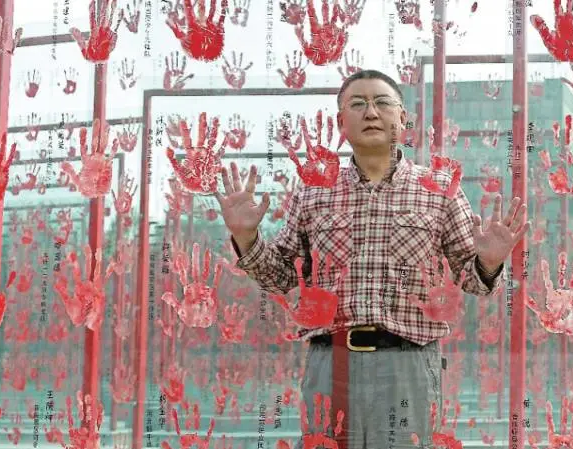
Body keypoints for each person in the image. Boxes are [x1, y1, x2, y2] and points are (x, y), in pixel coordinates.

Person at [214, 70, 530, 448]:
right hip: (331, 361)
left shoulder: (439, 191)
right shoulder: (313, 192)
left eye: (382, 102)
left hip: (408, 363)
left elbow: (473, 281)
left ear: (403, 118)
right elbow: (283, 278)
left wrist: (489, 262)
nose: (371, 113)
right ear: (340, 122)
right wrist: (246, 237)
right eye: (358, 104)